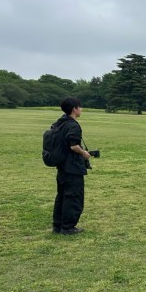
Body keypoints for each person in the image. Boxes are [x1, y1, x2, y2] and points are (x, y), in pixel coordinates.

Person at [52, 97, 91, 235]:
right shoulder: (73, 125)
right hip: (72, 166)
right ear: (74, 109)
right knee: (73, 196)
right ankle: (68, 227)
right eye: (80, 107)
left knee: (62, 196)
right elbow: (74, 146)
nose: (81, 109)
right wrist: (84, 153)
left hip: (62, 165)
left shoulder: (59, 123)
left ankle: (58, 225)